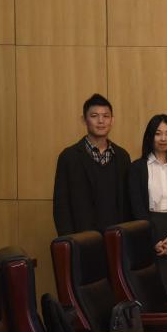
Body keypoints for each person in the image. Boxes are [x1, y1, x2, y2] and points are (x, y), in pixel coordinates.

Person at [128, 114, 167, 299]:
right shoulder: (137, 167)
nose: (163, 138)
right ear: (150, 136)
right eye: (158, 133)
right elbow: (137, 206)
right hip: (147, 231)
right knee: (151, 292)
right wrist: (153, 239)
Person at [53, 94, 131, 236]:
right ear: (84, 120)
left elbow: (128, 203)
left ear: (112, 120)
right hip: (81, 238)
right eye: (94, 116)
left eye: (106, 116)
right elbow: (61, 206)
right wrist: (69, 240)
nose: (101, 121)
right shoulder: (69, 157)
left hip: (116, 238)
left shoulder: (122, 157)